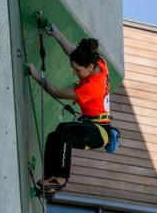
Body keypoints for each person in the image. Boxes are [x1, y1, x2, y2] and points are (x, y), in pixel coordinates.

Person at [28, 23, 112, 194]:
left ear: (89, 67)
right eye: (73, 68)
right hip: (92, 125)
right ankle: (48, 180)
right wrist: (56, 33)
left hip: (100, 131)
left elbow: (57, 92)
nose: (74, 73)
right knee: (55, 135)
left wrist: (36, 76)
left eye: (77, 70)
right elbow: (74, 53)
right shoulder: (98, 62)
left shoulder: (92, 87)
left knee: (66, 131)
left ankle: (60, 179)